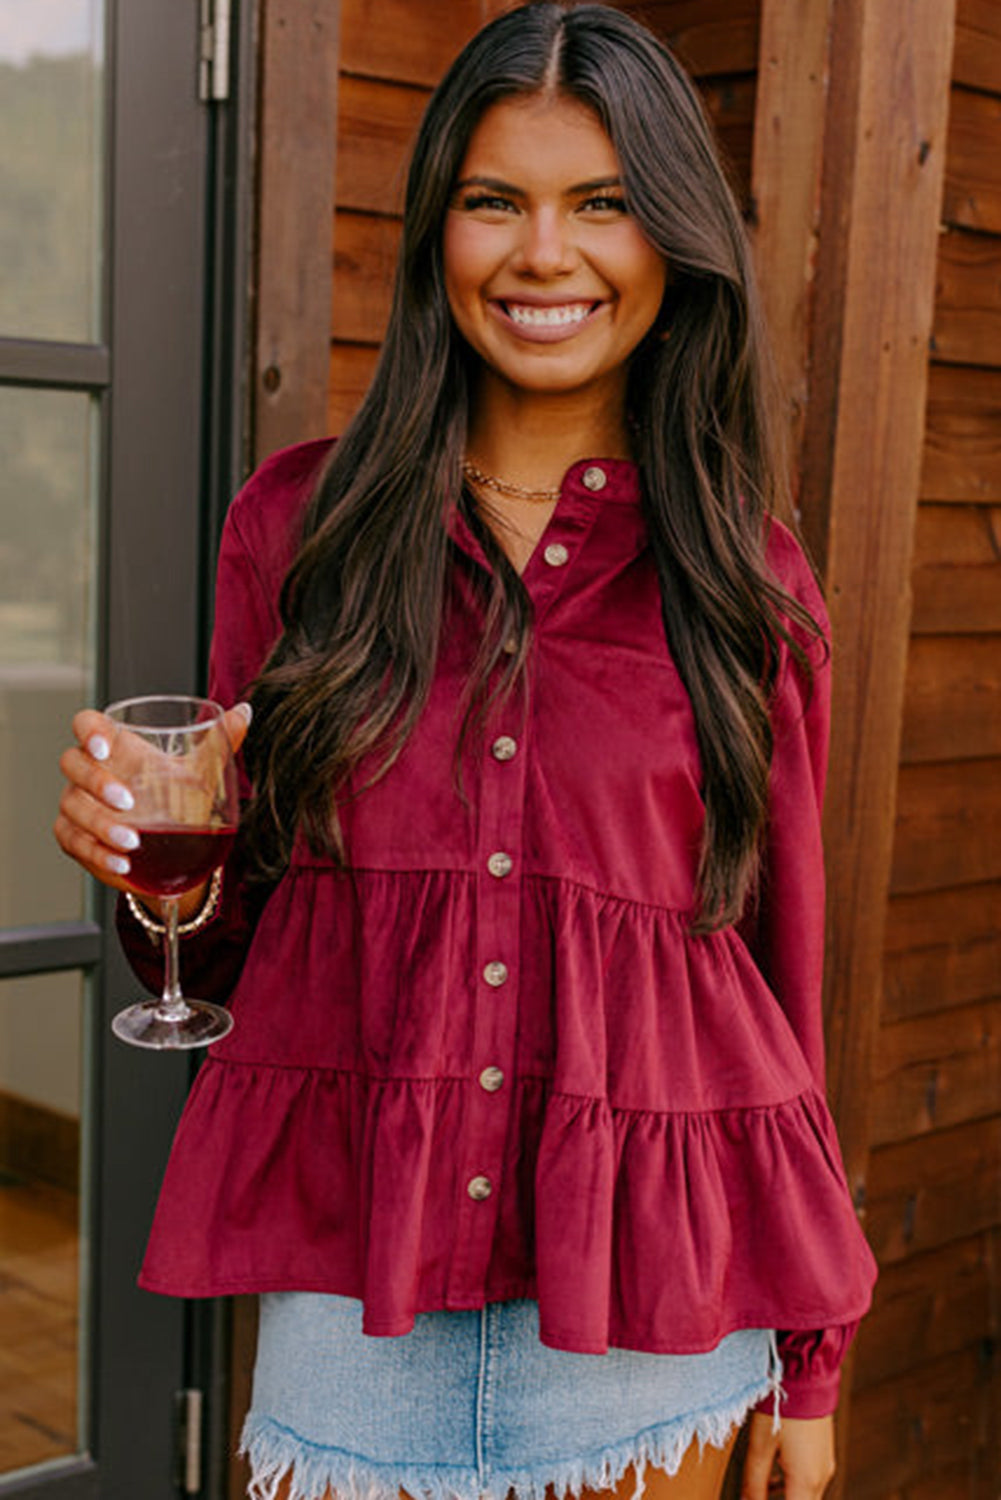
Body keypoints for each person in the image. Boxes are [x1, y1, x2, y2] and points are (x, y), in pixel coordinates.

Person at [55, 4, 878, 1498]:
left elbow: (783, 974)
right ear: (439, 230)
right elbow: (232, 950)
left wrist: (809, 1359)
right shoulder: (298, 531)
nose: (543, 254)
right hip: (352, 1315)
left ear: (672, 241)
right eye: (494, 200)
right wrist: (150, 874)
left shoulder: (746, 587)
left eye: (604, 204)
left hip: (658, 1320)